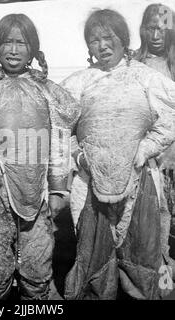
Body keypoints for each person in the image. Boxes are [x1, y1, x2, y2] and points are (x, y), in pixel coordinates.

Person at [0, 13, 79, 300]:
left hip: (39, 194)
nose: (13, 50)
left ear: (33, 48)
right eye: (7, 43)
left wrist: (59, 189)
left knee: (37, 265)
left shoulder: (47, 91)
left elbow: (59, 142)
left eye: (21, 43)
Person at [61, 9, 175, 300]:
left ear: (124, 40)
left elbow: (170, 119)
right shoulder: (78, 82)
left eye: (109, 37)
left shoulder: (145, 77)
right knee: (93, 260)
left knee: (142, 256)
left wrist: (145, 149)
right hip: (90, 183)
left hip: (140, 179)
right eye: (94, 39)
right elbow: (59, 130)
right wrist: (79, 158)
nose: (102, 45)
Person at [135, 3, 175, 275]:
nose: (157, 35)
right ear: (143, 30)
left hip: (174, 152)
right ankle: (161, 271)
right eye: (152, 28)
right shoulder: (135, 63)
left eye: (164, 29)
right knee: (155, 214)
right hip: (149, 154)